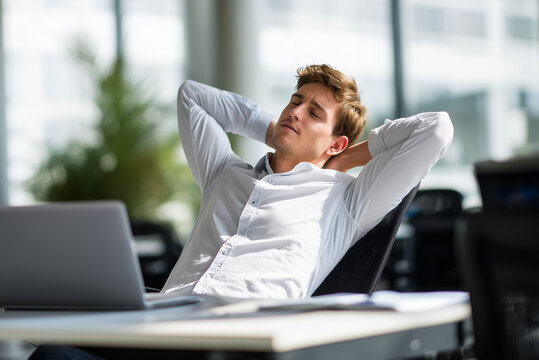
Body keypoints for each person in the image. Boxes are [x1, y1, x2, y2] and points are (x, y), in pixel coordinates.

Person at [28, 64, 453, 359]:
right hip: (156, 331)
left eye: (313, 112)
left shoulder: (346, 201)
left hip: (238, 343)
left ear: (335, 142)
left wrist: (345, 159)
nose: (295, 111)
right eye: (295, 100)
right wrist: (272, 128)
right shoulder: (223, 172)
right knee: (52, 353)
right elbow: (191, 96)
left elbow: (435, 129)